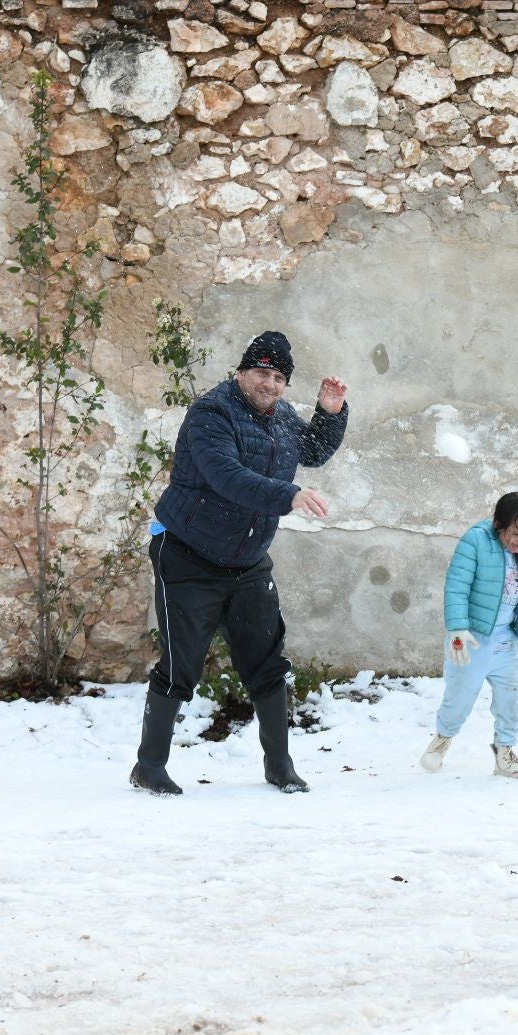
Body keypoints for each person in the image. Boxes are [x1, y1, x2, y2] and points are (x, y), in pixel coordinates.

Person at [131, 331, 349, 797]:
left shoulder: (283, 417)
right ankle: (148, 767)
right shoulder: (211, 413)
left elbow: (310, 451)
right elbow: (227, 477)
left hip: (247, 562)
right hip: (188, 555)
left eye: (278, 377)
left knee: (267, 663)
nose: (269, 384)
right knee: (181, 667)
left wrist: (330, 415)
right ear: (241, 373)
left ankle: (279, 766)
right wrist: (288, 495)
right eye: (261, 373)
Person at [420, 492, 518, 779]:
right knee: (460, 696)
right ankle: (442, 740)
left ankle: (504, 752)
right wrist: (457, 629)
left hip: (505, 640)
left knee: (510, 697)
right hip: (471, 638)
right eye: (516, 533)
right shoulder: (476, 541)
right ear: (497, 524)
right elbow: (457, 586)